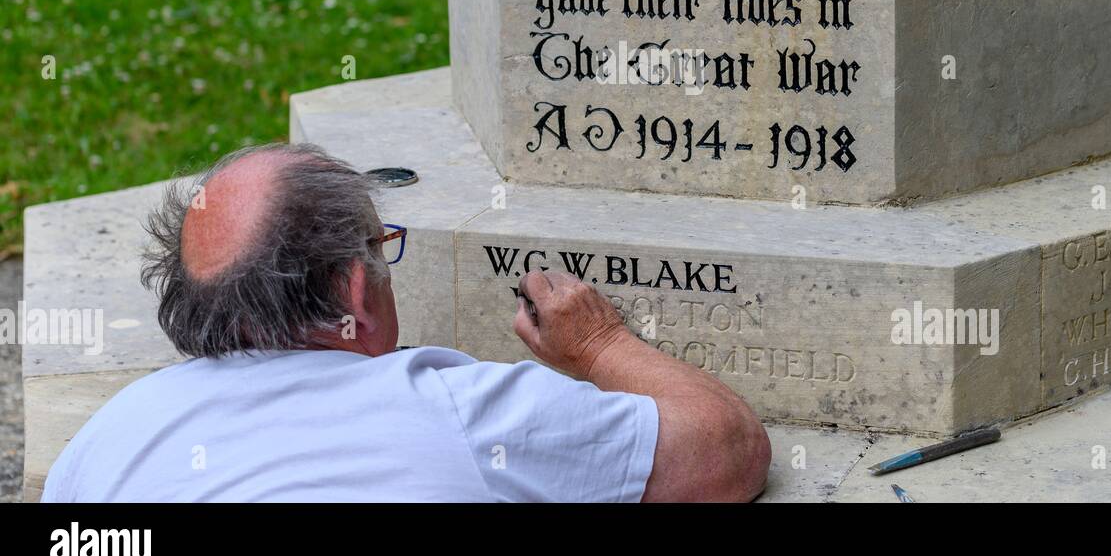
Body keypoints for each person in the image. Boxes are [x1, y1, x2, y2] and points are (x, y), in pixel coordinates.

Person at [41, 143, 770, 502]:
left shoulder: (107, 440)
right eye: (381, 244)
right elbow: (726, 451)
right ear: (356, 288)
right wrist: (601, 344)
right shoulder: (460, 412)